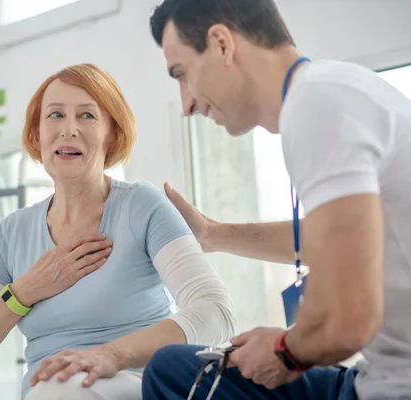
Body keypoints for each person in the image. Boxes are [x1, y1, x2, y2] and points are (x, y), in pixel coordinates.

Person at [142, 0, 411, 399]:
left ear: (221, 44)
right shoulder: (332, 89)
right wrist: (213, 235)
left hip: (394, 386)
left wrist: (284, 350)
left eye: (182, 74)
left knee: (178, 378)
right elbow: (342, 240)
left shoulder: (317, 105)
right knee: (172, 367)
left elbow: (350, 319)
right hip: (375, 374)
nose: (187, 103)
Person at [0, 63, 237, 400]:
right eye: (55, 115)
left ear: (113, 134)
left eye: (87, 116)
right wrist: (22, 294)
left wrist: (109, 355)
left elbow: (216, 313)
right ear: (36, 135)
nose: (69, 129)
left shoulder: (143, 207)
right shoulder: (13, 233)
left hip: (132, 384)